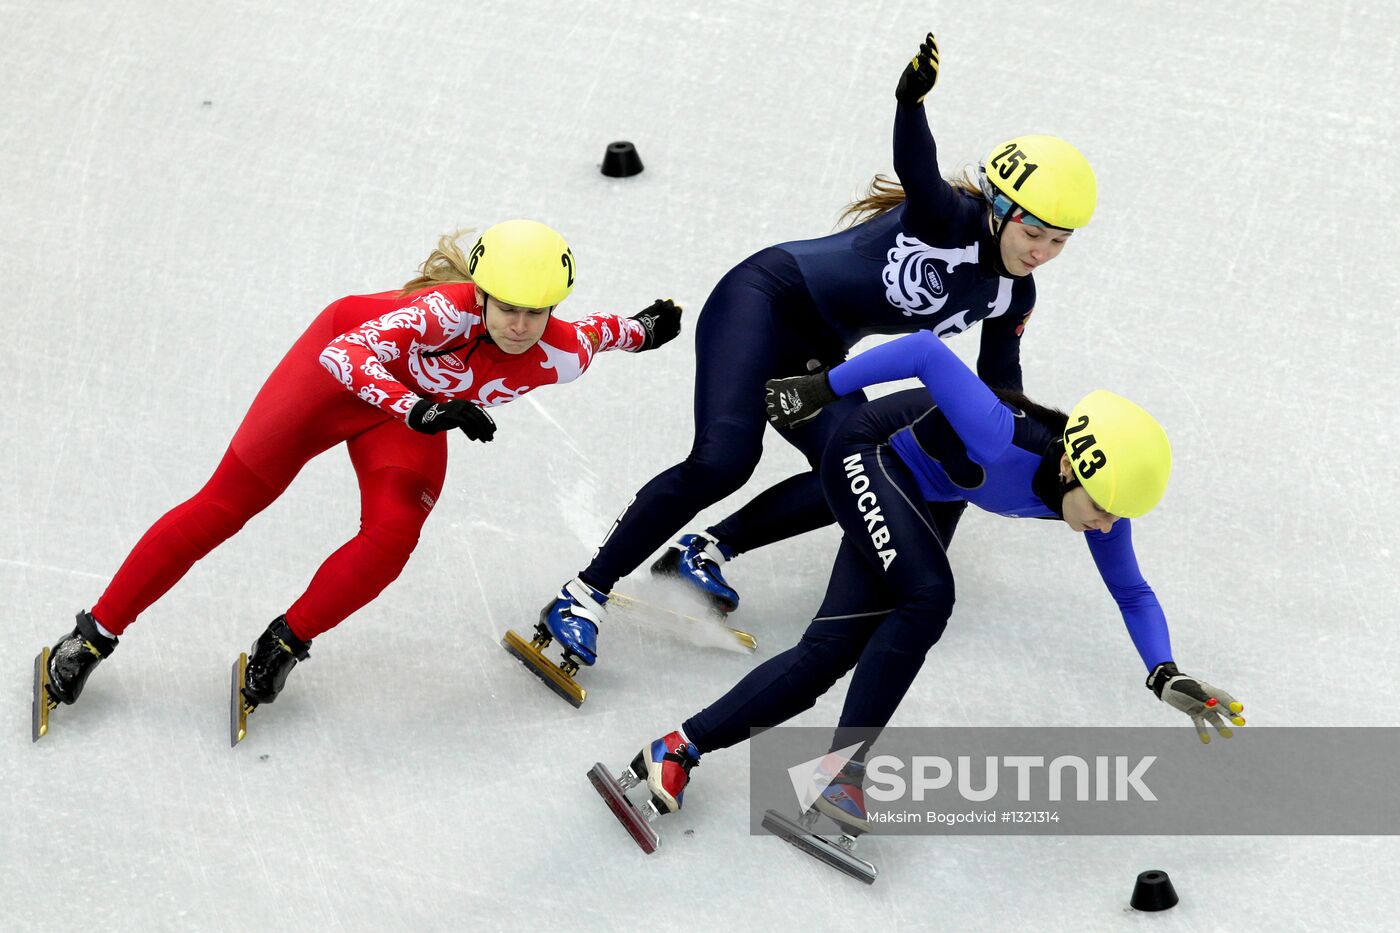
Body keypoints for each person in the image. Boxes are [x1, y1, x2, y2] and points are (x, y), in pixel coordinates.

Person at [536, 32, 1099, 680]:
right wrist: (910, 102)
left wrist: (1061, 452)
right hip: (761, 301)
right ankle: (582, 592)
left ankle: (704, 551)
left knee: (858, 472)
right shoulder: (951, 219)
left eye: (1059, 242)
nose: (1041, 251)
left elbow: (1002, 390)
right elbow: (918, 168)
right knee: (723, 459)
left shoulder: (1012, 295)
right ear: (998, 208)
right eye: (1033, 232)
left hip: (820, 349)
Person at [600, 327, 1244, 850]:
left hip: (922, 493)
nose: (1105, 525)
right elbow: (926, 353)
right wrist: (820, 388)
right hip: (869, 451)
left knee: (829, 652)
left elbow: (1132, 593)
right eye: (1101, 508)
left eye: (1114, 515)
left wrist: (1165, 672)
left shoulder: (1101, 504)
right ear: (1074, 463)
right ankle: (840, 774)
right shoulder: (1000, 432)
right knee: (930, 596)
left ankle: (675, 749)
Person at [34, 220, 681, 736]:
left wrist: (646, 329)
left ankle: (284, 641)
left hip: (407, 413)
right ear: (480, 293)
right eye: (507, 307)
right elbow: (343, 355)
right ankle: (93, 634)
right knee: (227, 504)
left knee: (394, 535)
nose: (519, 325)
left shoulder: (561, 351)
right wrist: (421, 407)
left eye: (536, 312)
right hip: (333, 383)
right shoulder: (439, 314)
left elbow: (604, 333)